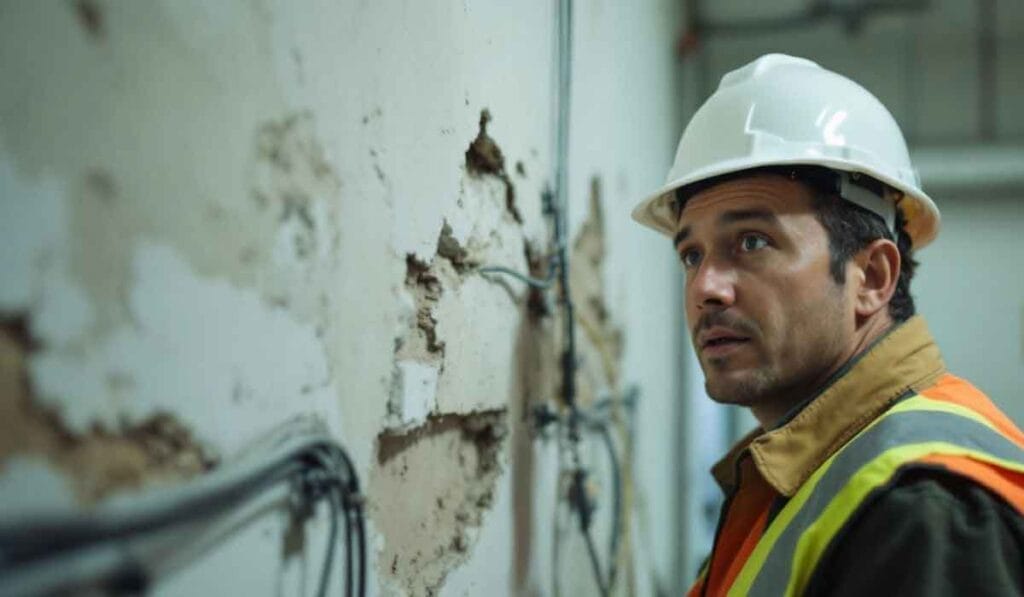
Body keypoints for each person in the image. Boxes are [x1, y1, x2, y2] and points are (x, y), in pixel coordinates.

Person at [632, 53, 1024, 596]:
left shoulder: (924, 508)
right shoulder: (806, 471)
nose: (706, 288)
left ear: (872, 276)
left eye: (752, 241)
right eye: (692, 256)